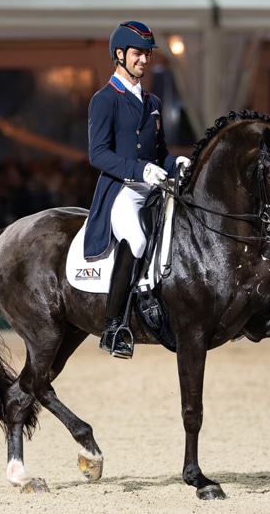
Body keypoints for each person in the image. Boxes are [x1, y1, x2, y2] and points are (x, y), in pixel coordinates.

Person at [84, 20, 191, 358]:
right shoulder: (105, 100)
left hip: (154, 186)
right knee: (138, 238)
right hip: (122, 190)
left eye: (146, 54)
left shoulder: (152, 101)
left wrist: (177, 164)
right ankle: (113, 327)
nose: (144, 60)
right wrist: (139, 169)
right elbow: (98, 153)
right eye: (137, 54)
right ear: (119, 55)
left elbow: (158, 153)